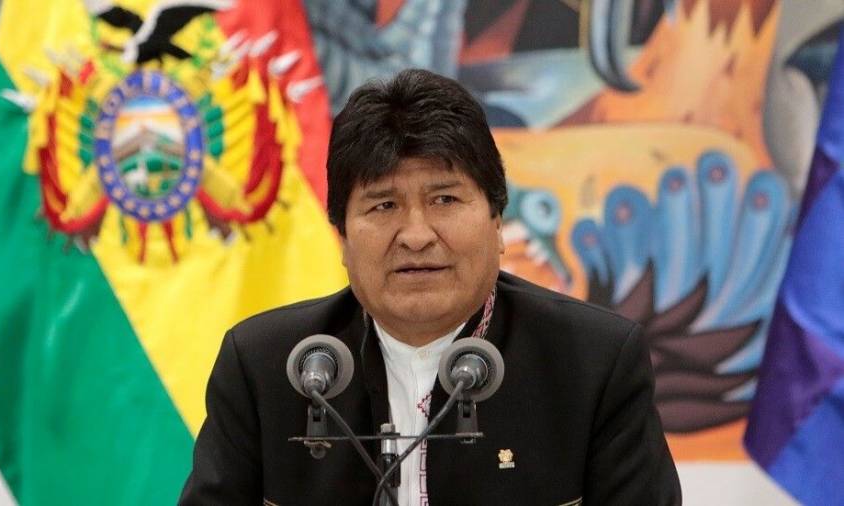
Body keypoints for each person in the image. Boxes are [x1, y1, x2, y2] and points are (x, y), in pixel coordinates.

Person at [179, 68, 681, 505]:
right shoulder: (266, 368)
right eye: (383, 205)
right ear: (343, 238)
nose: (416, 236)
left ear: (497, 222)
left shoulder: (593, 365)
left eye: (444, 200)